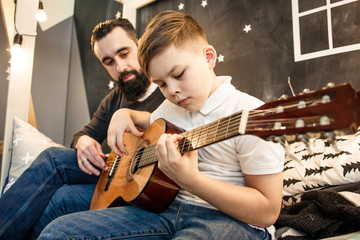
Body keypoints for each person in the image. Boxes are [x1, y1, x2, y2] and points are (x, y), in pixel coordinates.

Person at [38, 10, 285, 240]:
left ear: (209, 58)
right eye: (162, 84)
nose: (173, 91)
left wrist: (192, 181)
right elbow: (151, 122)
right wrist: (126, 114)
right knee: (57, 232)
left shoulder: (252, 114)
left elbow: (267, 212)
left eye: (178, 75)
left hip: (230, 220)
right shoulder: (170, 108)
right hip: (164, 209)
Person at [0, 18, 165, 240]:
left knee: (62, 197)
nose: (120, 67)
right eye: (109, 62)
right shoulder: (113, 99)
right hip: (112, 174)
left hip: (148, 188)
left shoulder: (170, 89)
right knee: (53, 158)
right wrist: (83, 141)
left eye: (124, 54)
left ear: (139, 44)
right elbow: (82, 134)